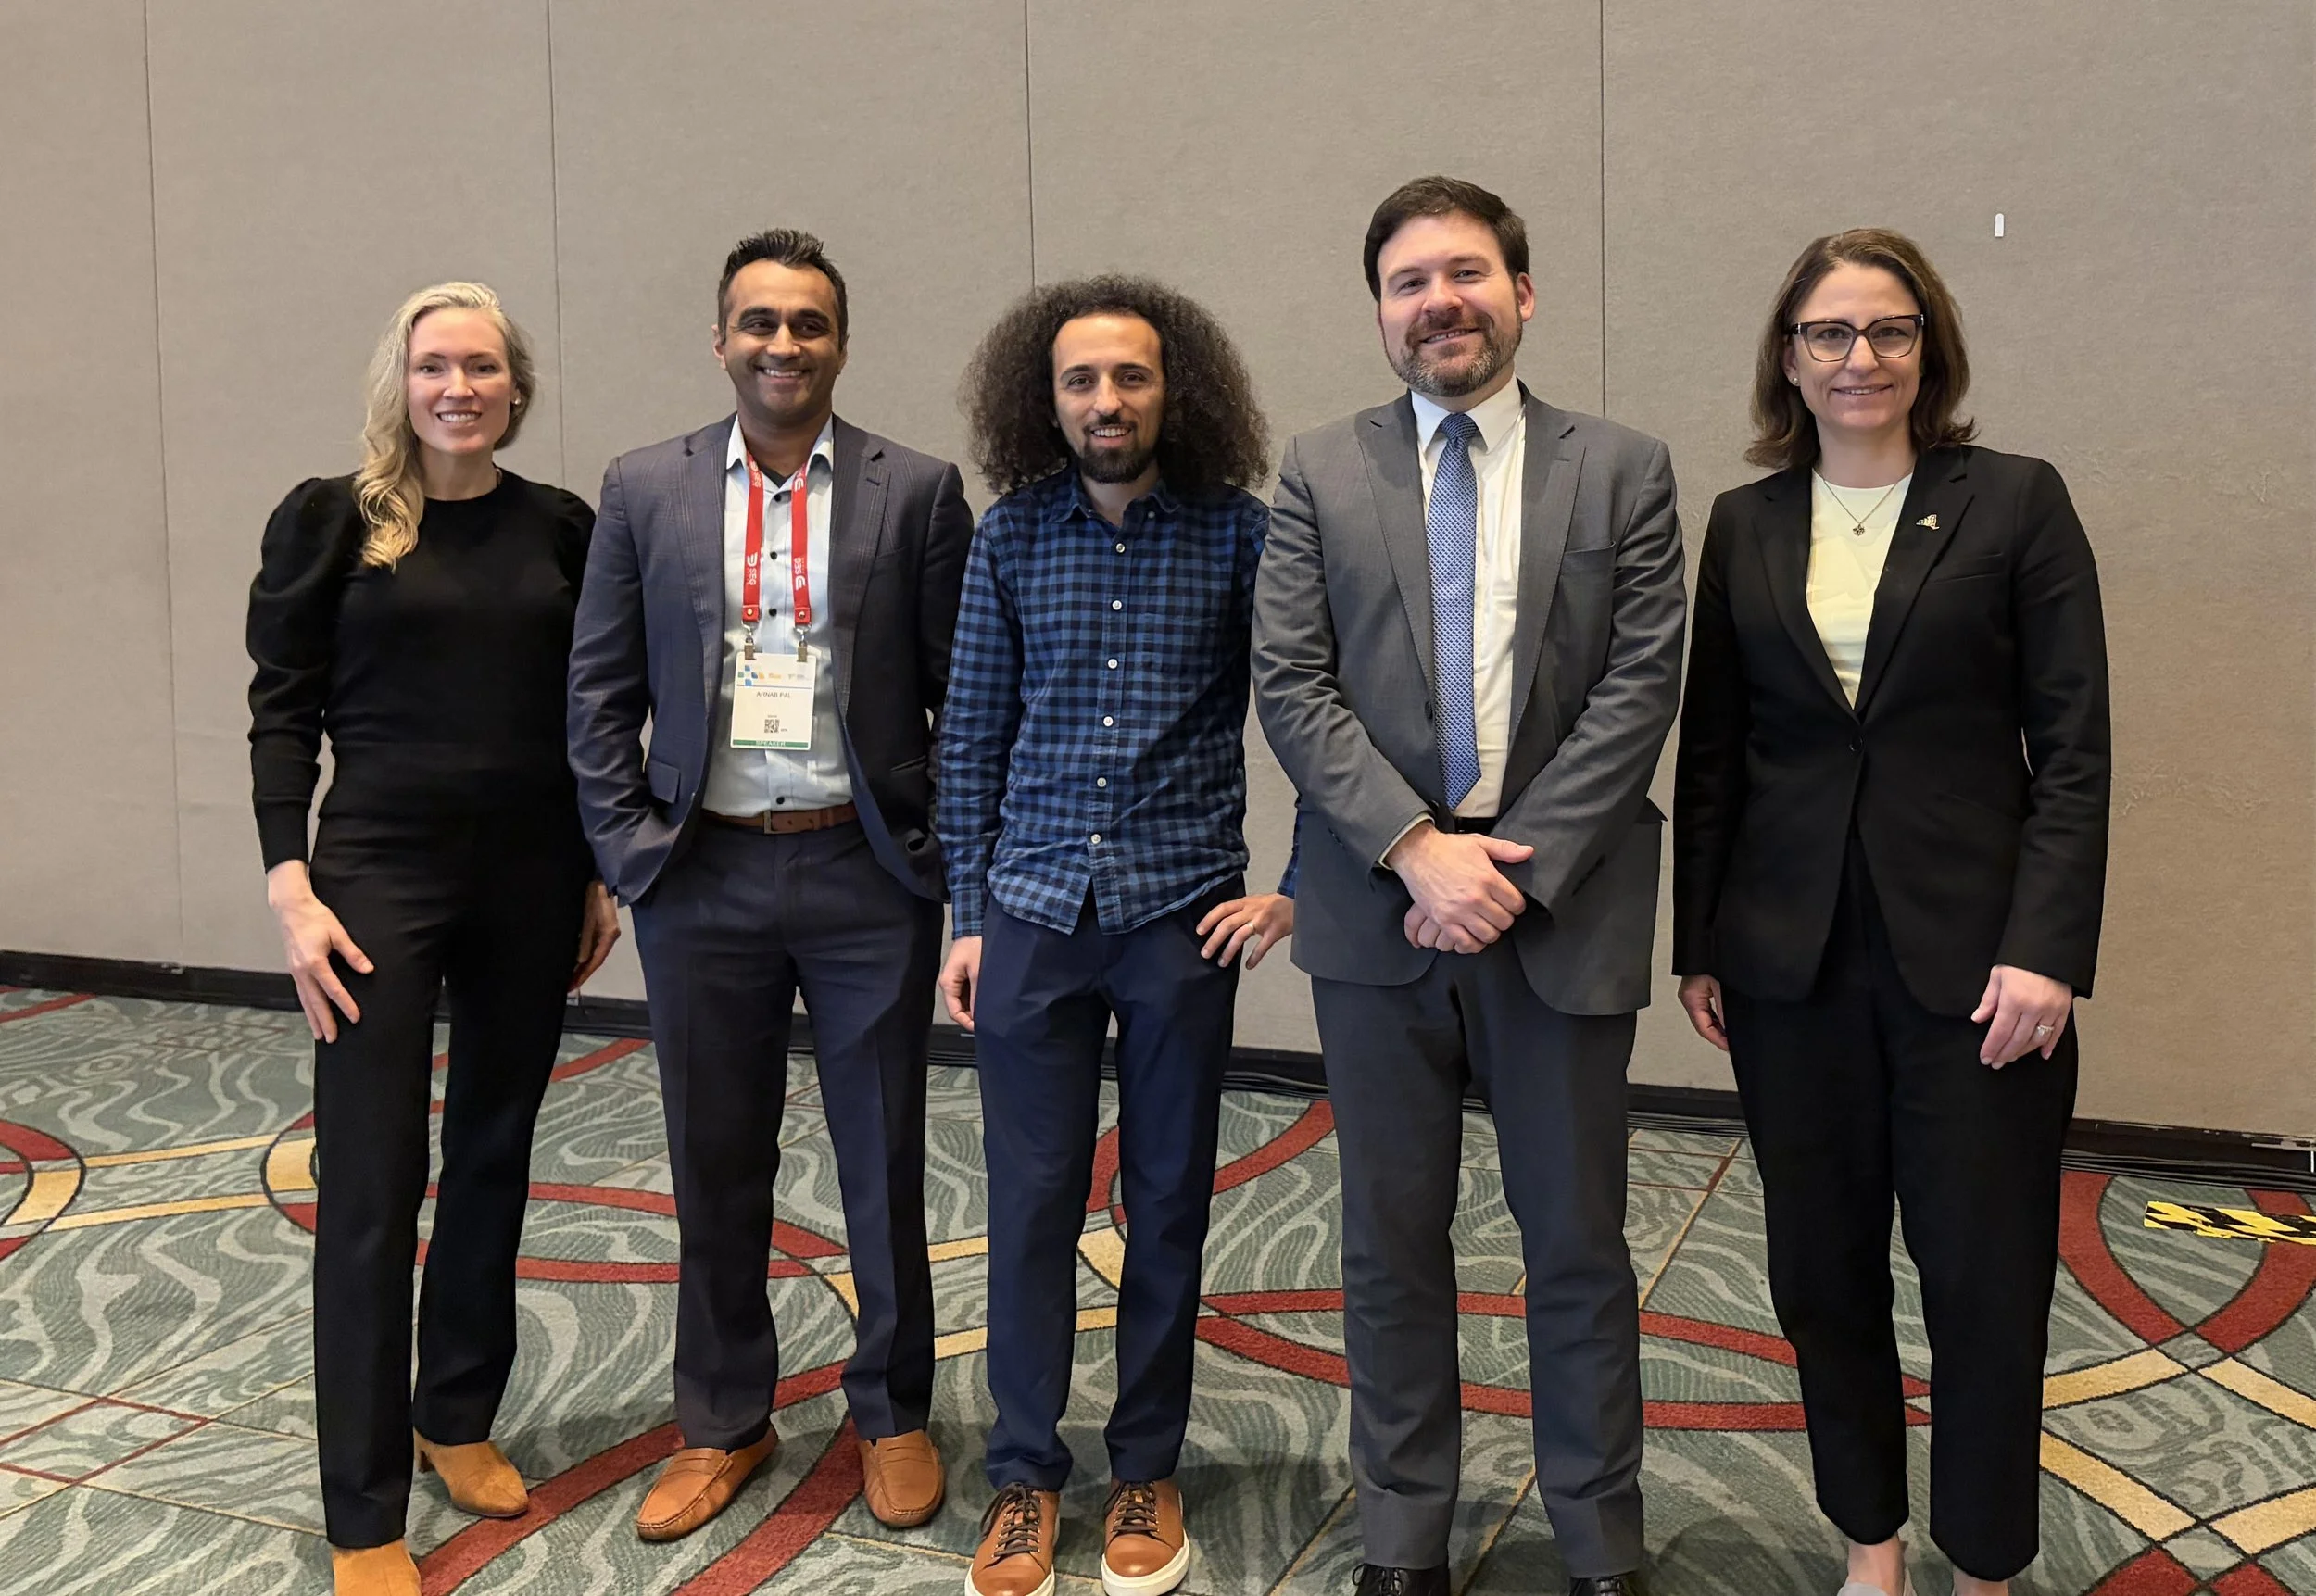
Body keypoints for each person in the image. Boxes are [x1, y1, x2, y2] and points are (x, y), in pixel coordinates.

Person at [1252, 177, 1684, 1596]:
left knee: (1575, 1242)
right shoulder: (1320, 468)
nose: (1439, 300)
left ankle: (1600, 1541)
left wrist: (1515, 864)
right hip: (1381, 909)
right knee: (1389, 1245)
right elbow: (1293, 682)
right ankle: (1402, 1538)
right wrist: (1415, 849)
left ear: (1523, 292)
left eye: (1467, 273)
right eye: (1407, 281)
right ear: (1381, 311)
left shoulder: (1621, 467)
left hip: (1556, 907)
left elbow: (1639, 686)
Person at [1671, 229, 2108, 1596]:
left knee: (1985, 1282)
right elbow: (1715, 751)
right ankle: (1871, 1542)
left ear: (1930, 348)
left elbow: (2077, 746)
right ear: (1787, 360)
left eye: (1888, 330)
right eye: (1828, 334)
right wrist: (1699, 945)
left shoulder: (2017, 502)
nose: (1859, 358)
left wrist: (2049, 947)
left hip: (1979, 967)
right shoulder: (1747, 522)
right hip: (1789, 963)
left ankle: (1982, 1560)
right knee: (1819, 1269)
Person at [566, 229, 973, 1545]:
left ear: (840, 342)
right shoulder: (647, 487)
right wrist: (631, 849)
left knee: (881, 1158)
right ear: (722, 337)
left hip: (867, 873)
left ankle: (893, 1411)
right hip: (708, 871)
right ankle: (723, 1415)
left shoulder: (916, 489)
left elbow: (961, 691)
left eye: (807, 323)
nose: (782, 344)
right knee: (714, 1159)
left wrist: (947, 865)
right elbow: (598, 688)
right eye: (759, 322)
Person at [245, 282, 617, 1596]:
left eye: (480, 366)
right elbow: (281, 710)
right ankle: (362, 1509)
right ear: (401, 383)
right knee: (368, 1183)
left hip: (530, 875)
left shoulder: (564, 529)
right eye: (432, 365)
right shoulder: (331, 520)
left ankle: (454, 1410)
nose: (457, 386)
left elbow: (589, 717)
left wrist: (593, 872)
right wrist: (290, 879)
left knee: (495, 1152)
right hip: (373, 882)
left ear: (515, 386)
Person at [938, 278, 1294, 1596]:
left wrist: (1299, 881)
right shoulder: (1013, 537)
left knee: (1166, 1202)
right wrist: (968, 919)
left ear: (1172, 390)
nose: (1105, 401)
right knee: (1029, 1206)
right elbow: (968, 739)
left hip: (1177, 916)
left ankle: (1147, 1459)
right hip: (1030, 914)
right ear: (1048, 399)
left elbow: (1308, 711)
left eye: (1130, 377)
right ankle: (1025, 1475)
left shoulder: (1239, 539)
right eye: (1081, 380)